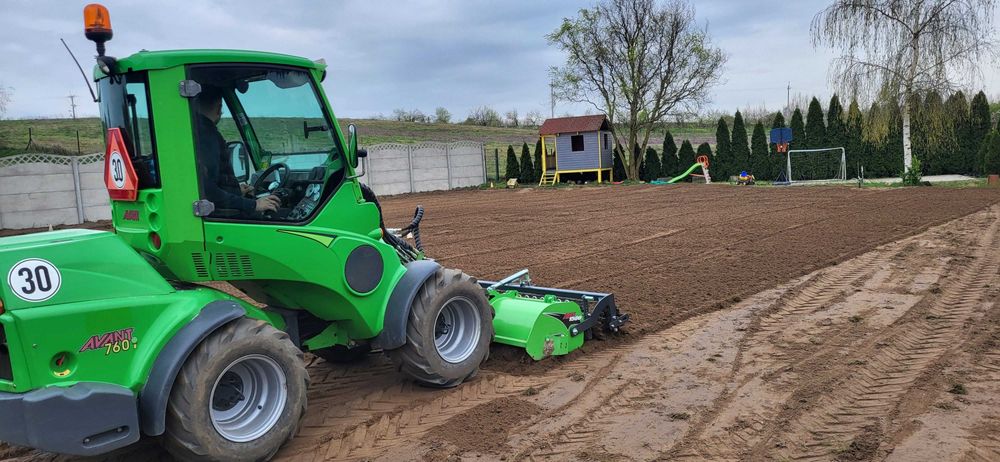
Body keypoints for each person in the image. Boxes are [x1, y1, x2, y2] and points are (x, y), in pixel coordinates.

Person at [193, 86, 279, 217]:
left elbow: (210, 182)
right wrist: (254, 205)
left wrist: (236, 191)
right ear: (219, 107)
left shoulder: (196, 132)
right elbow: (206, 189)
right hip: (220, 217)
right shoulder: (206, 136)